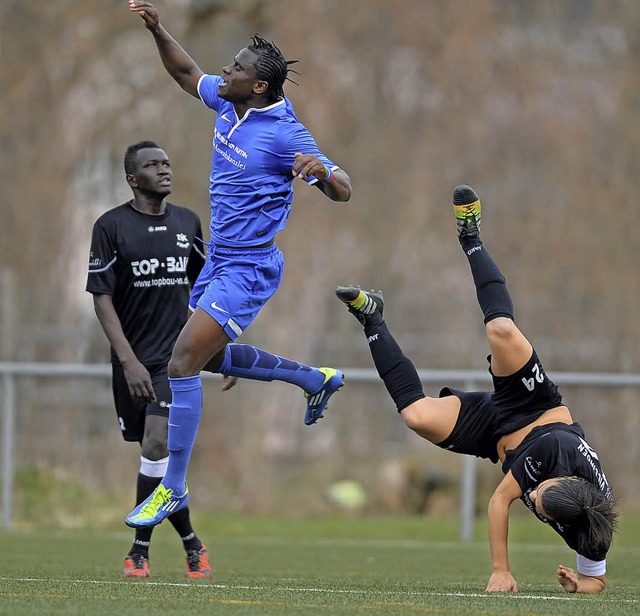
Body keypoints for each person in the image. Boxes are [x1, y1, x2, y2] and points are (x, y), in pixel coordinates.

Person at [125, 2, 352, 529]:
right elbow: (184, 72)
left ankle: (173, 489)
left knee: (180, 361)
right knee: (202, 360)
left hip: (248, 267)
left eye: (236, 67)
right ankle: (315, 378)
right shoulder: (229, 105)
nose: (224, 71)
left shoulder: (285, 133)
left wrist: (322, 174)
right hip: (217, 261)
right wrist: (159, 29)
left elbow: (344, 190)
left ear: (258, 87)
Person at [335, 185, 618, 594]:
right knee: (501, 330)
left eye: (535, 499)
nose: (533, 494)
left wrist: (579, 584)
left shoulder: (592, 530)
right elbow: (500, 501)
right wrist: (501, 570)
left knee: (416, 415)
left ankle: (371, 318)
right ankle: (471, 237)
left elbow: (599, 581)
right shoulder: (555, 455)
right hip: (535, 408)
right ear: (568, 481)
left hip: (493, 434)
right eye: (540, 490)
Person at [86, 140, 211, 578]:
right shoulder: (110, 226)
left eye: (166, 163)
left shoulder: (188, 222)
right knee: (154, 458)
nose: (164, 170)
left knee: (159, 445)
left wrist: (219, 349)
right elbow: (101, 299)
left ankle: (138, 549)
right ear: (132, 179)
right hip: (131, 362)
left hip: (174, 363)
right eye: (152, 165)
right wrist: (128, 361)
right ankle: (193, 542)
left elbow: (208, 293)